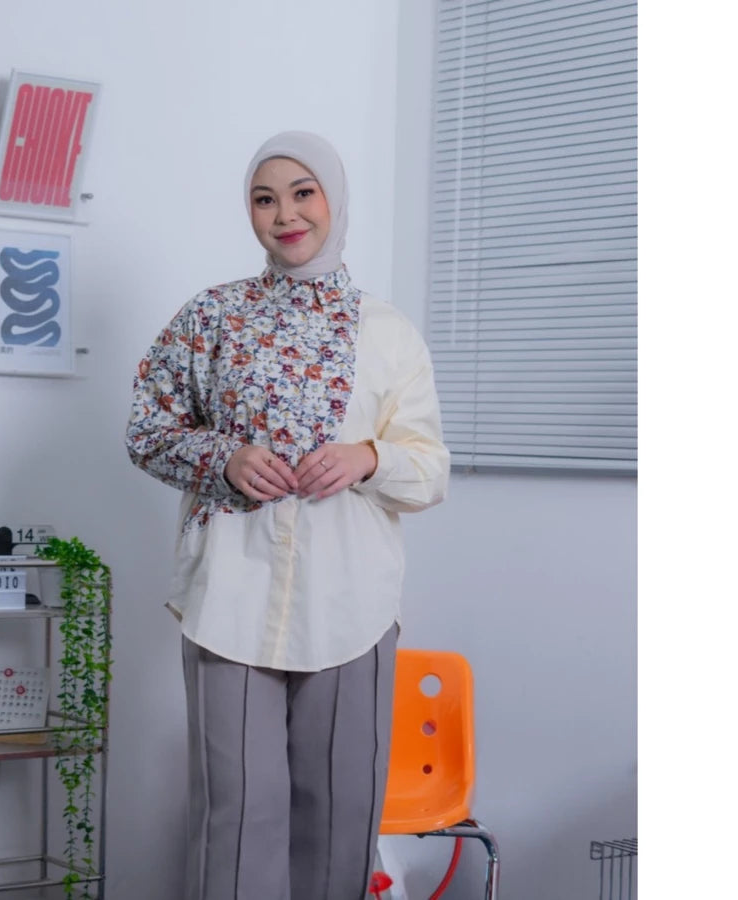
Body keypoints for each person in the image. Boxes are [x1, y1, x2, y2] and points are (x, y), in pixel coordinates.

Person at [125, 130, 450, 900]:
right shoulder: (210, 319)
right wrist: (223, 458)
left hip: (352, 604)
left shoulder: (389, 332)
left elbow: (429, 467)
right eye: (264, 198)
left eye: (302, 192)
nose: (284, 214)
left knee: (341, 815)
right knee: (237, 814)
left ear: (334, 199)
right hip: (229, 599)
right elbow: (147, 429)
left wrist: (369, 457)